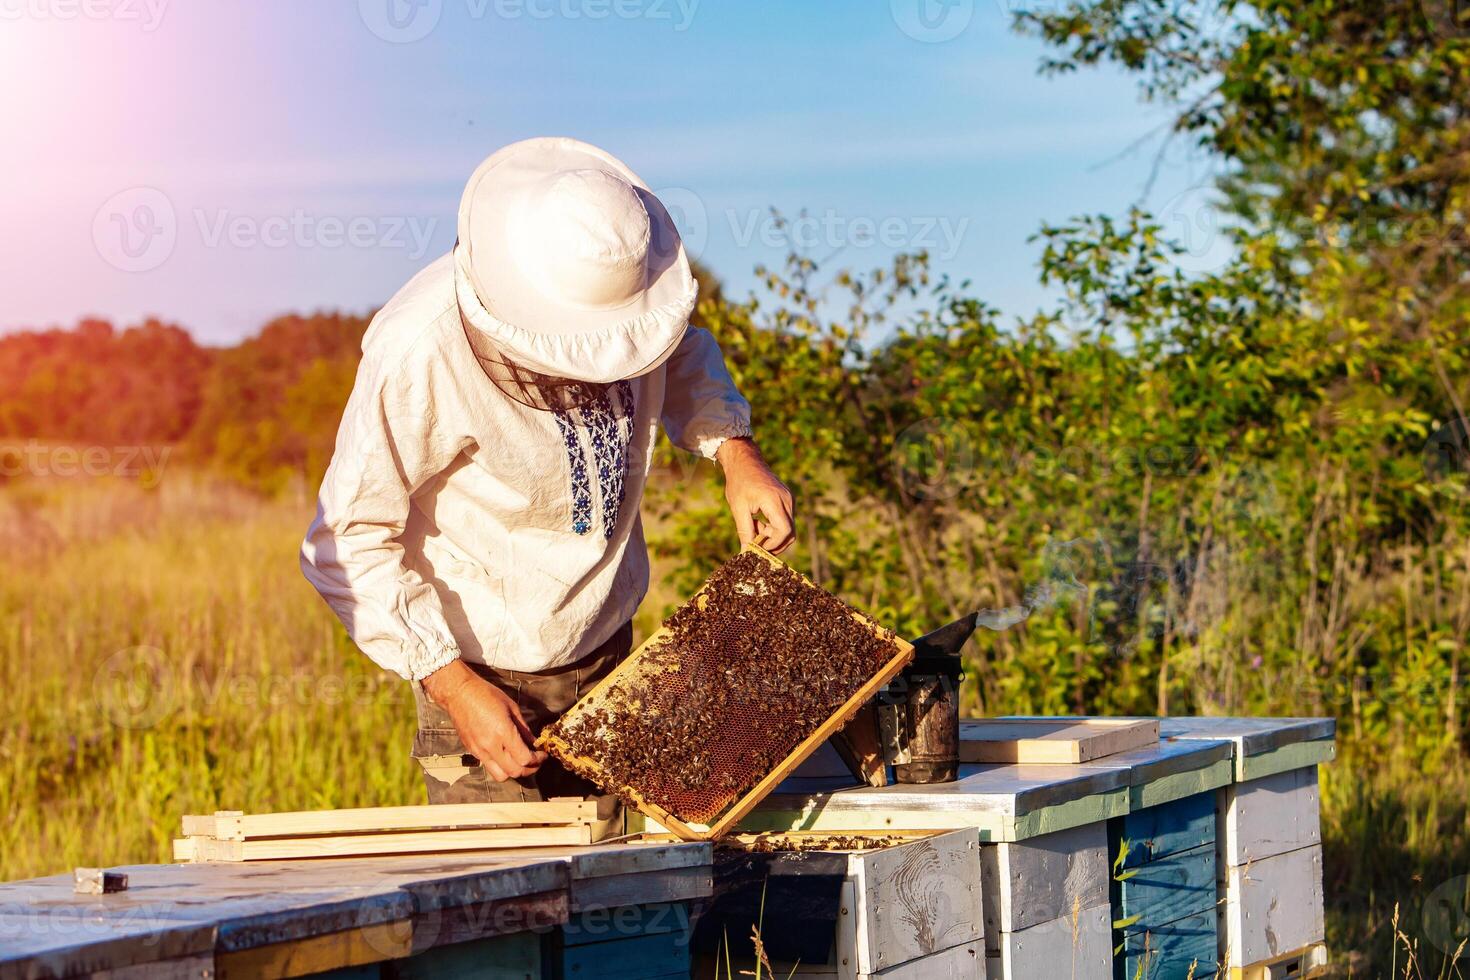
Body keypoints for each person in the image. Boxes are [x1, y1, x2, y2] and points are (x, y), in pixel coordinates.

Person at [300, 137, 794, 804]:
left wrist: (738, 454)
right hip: (484, 682)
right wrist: (452, 684)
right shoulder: (419, 348)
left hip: (612, 655)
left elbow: (683, 357)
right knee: (509, 902)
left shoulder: (632, 295)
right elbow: (345, 537)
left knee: (620, 887)